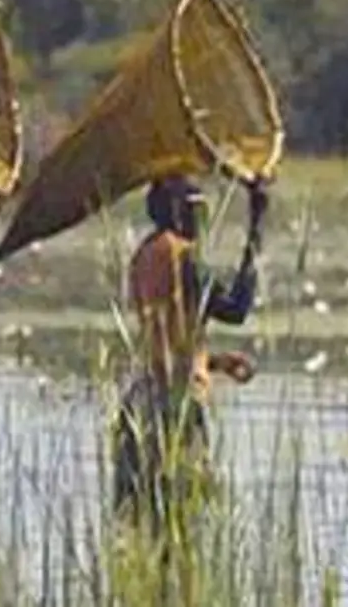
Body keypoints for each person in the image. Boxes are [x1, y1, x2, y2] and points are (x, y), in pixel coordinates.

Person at [112, 174, 267, 526]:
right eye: (194, 209)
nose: (200, 220)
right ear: (176, 211)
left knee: (135, 520)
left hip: (138, 402)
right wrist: (256, 225)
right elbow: (237, 308)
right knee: (181, 520)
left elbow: (163, 340)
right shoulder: (183, 258)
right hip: (176, 407)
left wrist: (214, 362)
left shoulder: (143, 257)